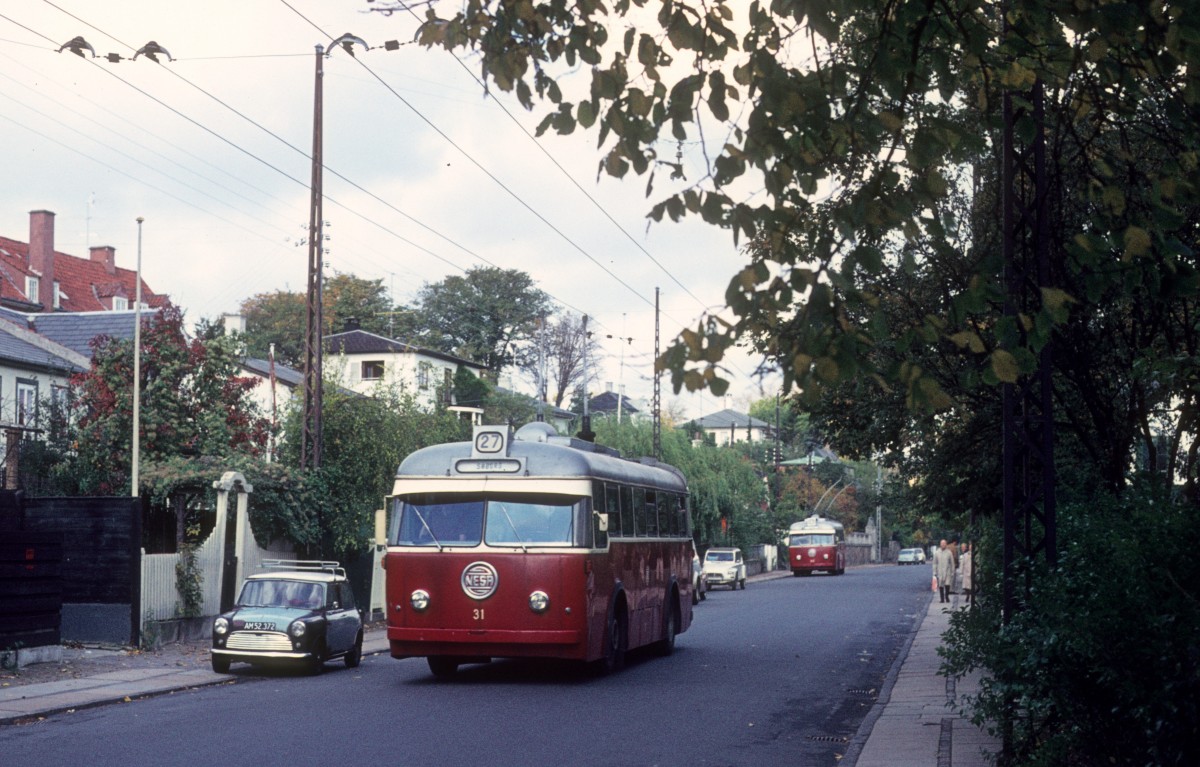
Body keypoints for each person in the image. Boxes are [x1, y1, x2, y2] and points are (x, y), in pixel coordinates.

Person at [933, 539, 955, 604]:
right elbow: (934, 563)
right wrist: (934, 572)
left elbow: (952, 563)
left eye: (944, 544)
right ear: (940, 544)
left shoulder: (949, 552)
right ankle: (942, 598)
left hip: (947, 571)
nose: (943, 545)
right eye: (942, 544)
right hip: (940, 571)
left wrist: (952, 571)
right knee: (941, 585)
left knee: (947, 584)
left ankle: (947, 596)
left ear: (946, 544)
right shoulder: (937, 553)